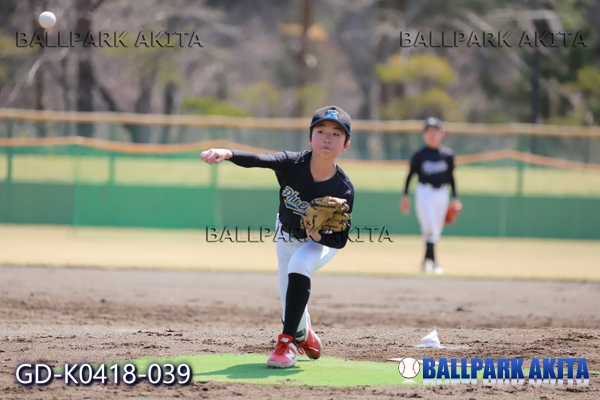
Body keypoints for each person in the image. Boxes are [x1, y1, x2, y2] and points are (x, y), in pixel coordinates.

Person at [200, 105, 354, 368]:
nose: (327, 138)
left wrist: (319, 236)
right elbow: (259, 160)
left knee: (300, 264)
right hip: (285, 237)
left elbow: (340, 240)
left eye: (336, 134)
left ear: (346, 145)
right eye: (321, 131)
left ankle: (286, 345)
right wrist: (227, 153)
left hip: (319, 244)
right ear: (310, 138)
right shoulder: (292, 163)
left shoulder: (343, 188)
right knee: (291, 309)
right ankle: (303, 333)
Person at [399, 117, 462, 274]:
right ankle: (434, 262)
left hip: (442, 192)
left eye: (435, 131)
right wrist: (405, 195)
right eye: (429, 132)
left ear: (442, 134)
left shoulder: (448, 155)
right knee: (430, 226)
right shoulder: (420, 154)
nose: (432, 135)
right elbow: (410, 175)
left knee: (436, 228)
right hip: (424, 191)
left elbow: (451, 178)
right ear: (424, 135)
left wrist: (455, 198)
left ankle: (426, 261)